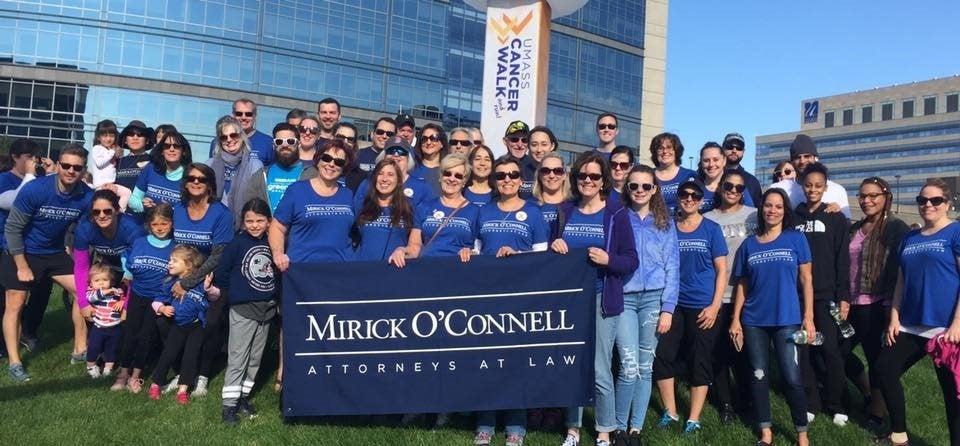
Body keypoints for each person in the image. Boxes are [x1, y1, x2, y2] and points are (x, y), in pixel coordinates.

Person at [552, 151, 639, 446]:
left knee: (601, 368)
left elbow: (630, 260)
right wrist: (557, 245)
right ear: (575, 179)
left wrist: (607, 259)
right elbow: (554, 260)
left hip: (603, 299)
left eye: (594, 176)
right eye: (582, 176)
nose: (587, 181)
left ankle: (604, 430)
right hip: (571, 302)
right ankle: (573, 429)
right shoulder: (564, 211)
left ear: (603, 181)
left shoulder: (616, 213)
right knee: (573, 365)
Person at [875, 178, 960, 446]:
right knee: (883, 369)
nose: (928, 205)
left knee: (953, 396)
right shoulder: (910, 237)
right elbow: (901, 280)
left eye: (935, 200)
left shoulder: (955, 233)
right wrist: (895, 317)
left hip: (945, 329)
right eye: (923, 200)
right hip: (910, 324)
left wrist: (958, 323)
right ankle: (899, 433)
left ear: (947, 203)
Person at [728, 188, 815, 446]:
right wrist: (735, 319)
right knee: (759, 375)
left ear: (784, 210)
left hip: (787, 318)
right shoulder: (749, 244)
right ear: (761, 209)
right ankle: (765, 431)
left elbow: (806, 279)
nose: (772, 211)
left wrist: (808, 316)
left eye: (778, 206)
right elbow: (742, 285)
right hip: (754, 320)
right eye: (768, 206)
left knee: (791, 377)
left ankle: (802, 433)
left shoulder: (795, 240)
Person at [472, 155, 548, 446]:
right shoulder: (484, 211)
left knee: (517, 364)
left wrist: (518, 256)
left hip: (521, 299)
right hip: (488, 297)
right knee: (487, 363)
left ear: (521, 180)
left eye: (512, 175)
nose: (506, 180)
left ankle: (516, 426)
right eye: (501, 175)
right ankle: (484, 424)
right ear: (495, 179)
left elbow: (542, 258)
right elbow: (477, 251)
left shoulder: (533, 213)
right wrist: (470, 255)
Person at [2, 144, 93, 382]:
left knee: (83, 290)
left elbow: (83, 233)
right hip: (22, 250)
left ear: (83, 170)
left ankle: (80, 350)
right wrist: (22, 266)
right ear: (58, 164)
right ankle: (14, 362)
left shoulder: (86, 196)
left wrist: (74, 254)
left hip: (54, 252)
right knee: (16, 299)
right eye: (66, 165)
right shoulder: (36, 189)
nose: (70, 171)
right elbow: (12, 229)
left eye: (77, 167)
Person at [611, 164, 679, 446]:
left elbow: (673, 265)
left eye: (646, 186)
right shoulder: (617, 217)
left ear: (654, 190)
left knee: (645, 367)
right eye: (634, 186)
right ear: (627, 189)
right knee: (627, 366)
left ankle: (636, 428)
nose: (640, 191)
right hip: (625, 297)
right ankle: (617, 428)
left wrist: (668, 308)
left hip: (654, 298)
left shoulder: (664, 222)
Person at [653, 180, 727, 434]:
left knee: (700, 360)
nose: (689, 199)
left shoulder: (712, 229)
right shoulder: (668, 228)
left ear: (701, 200)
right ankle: (671, 412)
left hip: (702, 306)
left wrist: (715, 305)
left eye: (695, 195)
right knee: (663, 356)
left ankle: (693, 418)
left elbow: (722, 270)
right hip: (672, 303)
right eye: (684, 194)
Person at [844, 177, 909, 427]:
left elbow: (900, 270)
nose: (867, 200)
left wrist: (892, 307)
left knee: (876, 359)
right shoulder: (855, 228)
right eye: (862, 196)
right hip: (850, 303)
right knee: (835, 351)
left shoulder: (896, 228)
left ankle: (877, 413)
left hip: (877, 303)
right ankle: (867, 393)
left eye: (873, 196)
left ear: (886, 197)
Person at [793, 162, 851, 425]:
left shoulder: (835, 218)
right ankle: (811, 401)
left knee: (830, 350)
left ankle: (836, 403)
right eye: (808, 185)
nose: (813, 189)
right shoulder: (794, 217)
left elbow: (842, 259)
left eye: (818, 186)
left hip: (826, 294)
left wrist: (844, 296)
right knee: (803, 349)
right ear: (802, 186)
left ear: (826, 188)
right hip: (797, 295)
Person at [170, 162, 234, 397]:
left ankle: (204, 374)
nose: (196, 182)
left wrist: (188, 282)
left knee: (211, 323)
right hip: (181, 274)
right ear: (185, 183)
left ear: (210, 185)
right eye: (191, 178)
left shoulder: (221, 213)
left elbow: (218, 255)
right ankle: (182, 370)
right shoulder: (177, 209)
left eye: (202, 179)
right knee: (170, 320)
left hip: (213, 278)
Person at [217, 198, 278, 426]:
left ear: (268, 221)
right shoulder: (237, 244)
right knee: (238, 357)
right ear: (243, 222)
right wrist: (238, 291)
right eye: (249, 221)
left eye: (260, 220)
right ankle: (229, 407)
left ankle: (243, 396)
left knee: (255, 358)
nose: (254, 225)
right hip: (243, 309)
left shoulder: (274, 244)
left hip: (267, 309)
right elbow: (222, 273)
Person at [703, 170, 758, 424]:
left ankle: (747, 399)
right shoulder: (707, 218)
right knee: (719, 353)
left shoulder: (754, 216)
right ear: (720, 187)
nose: (733, 191)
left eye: (739, 188)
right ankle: (725, 404)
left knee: (745, 353)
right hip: (718, 295)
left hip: (747, 295)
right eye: (728, 186)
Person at [112, 203, 175, 393]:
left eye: (164, 223)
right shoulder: (140, 242)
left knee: (145, 337)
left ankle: (136, 376)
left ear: (171, 224)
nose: (160, 228)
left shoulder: (174, 247)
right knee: (130, 334)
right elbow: (126, 257)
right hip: (137, 295)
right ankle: (123, 373)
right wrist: (126, 273)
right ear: (149, 225)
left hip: (156, 299)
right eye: (156, 224)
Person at [270, 139, 356, 268]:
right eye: (326, 158)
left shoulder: (348, 195)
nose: (331, 164)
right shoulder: (297, 190)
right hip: (303, 270)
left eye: (339, 162)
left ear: (344, 167)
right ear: (318, 159)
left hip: (340, 271)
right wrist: (278, 253)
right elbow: (277, 227)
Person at [147, 244, 214, 405]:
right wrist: (162, 308)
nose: (169, 263)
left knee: (190, 357)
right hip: (178, 326)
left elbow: (214, 297)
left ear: (188, 265)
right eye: (170, 259)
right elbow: (156, 301)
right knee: (168, 354)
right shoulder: (170, 283)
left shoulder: (200, 281)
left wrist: (209, 288)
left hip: (196, 326)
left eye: (174, 260)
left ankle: (183, 390)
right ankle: (156, 384)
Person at [391, 153, 479, 264]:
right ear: (440, 176)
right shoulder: (424, 207)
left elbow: (480, 248)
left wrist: (473, 252)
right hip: (428, 269)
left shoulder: (475, 211)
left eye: (458, 176)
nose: (452, 179)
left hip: (459, 270)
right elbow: (414, 246)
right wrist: (401, 250)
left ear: (464, 181)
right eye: (447, 173)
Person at [74, 190, 145, 324]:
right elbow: (81, 267)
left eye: (107, 211)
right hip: (108, 270)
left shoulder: (133, 229)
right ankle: (84, 343)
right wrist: (83, 303)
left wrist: (127, 305)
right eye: (96, 212)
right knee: (86, 299)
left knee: (132, 318)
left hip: (133, 273)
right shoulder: (84, 229)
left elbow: (139, 271)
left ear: (117, 210)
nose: (101, 216)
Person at [770, 134, 851, 217]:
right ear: (792, 161)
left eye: (807, 156)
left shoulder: (837, 190)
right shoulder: (778, 188)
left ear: (815, 158)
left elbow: (846, 224)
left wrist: (838, 213)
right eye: (797, 157)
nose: (802, 161)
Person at [205, 115, 263, 229]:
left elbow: (258, 200)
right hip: (214, 226)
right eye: (223, 137)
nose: (229, 140)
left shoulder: (255, 165)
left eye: (233, 135)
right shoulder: (210, 165)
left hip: (244, 228)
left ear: (241, 136)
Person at [245, 123, 316, 213]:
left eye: (290, 141)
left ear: (298, 144)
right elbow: (250, 209)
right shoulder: (261, 176)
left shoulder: (312, 175)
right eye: (279, 142)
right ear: (274, 146)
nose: (285, 145)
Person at [353, 159, 413, 261]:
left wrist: (403, 250)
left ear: (398, 180)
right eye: (380, 174)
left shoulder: (408, 208)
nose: (384, 179)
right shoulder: (362, 204)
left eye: (390, 174)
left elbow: (415, 245)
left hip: (394, 270)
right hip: (363, 268)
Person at [353, 137, 434, 210]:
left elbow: (427, 216)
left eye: (401, 151)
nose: (396, 154)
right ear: (383, 156)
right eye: (391, 151)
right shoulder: (368, 183)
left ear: (408, 158)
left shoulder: (422, 187)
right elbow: (358, 212)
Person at [129, 130, 192, 214]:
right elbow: (133, 199)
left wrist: (169, 211)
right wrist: (142, 205)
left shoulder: (190, 176)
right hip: (146, 222)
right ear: (162, 151)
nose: (171, 149)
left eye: (176, 146)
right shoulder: (151, 168)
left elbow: (192, 210)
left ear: (183, 151)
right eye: (167, 146)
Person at [83, 263, 125, 379]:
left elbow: (125, 298)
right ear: (91, 283)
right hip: (99, 328)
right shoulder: (92, 293)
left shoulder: (117, 292)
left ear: (111, 281)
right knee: (93, 348)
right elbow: (90, 298)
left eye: (105, 280)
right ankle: (91, 367)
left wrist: (122, 302)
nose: (101, 283)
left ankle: (108, 369)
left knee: (111, 350)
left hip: (114, 327)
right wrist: (105, 292)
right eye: (97, 280)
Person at [207, 99, 274, 165]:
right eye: (239, 114)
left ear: (255, 116)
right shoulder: (217, 141)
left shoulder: (268, 142)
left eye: (248, 114)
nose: (243, 117)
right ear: (233, 115)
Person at [649, 132, 697, 216]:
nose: (665, 151)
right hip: (653, 225)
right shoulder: (648, 176)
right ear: (655, 152)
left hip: (681, 225)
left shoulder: (690, 175)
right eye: (660, 148)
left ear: (676, 151)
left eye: (669, 147)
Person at [531, 152, 571, 239]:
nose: (552, 176)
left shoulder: (574, 206)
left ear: (564, 175)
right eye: (546, 171)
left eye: (558, 171)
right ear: (539, 175)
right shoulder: (529, 206)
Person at [720, 133, 762, 206]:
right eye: (730, 146)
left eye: (739, 147)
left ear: (743, 152)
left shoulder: (752, 181)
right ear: (722, 148)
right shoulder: (711, 176)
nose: (734, 150)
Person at [115, 120, 154, 196]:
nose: (135, 137)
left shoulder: (154, 161)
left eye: (140, 134)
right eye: (131, 134)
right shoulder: (118, 162)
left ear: (147, 141)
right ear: (125, 140)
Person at [411, 123, 448, 195]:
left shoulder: (448, 171)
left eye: (433, 138)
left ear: (442, 143)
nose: (428, 142)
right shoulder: (411, 168)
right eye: (424, 139)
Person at [502, 120, 536, 197]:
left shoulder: (536, 166)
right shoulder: (497, 166)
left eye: (524, 140)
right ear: (505, 141)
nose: (520, 144)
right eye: (514, 139)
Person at [90, 119, 123, 188]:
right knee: (126, 193)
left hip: (112, 184)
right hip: (101, 185)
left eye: (111, 136)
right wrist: (111, 153)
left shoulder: (111, 150)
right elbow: (99, 163)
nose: (108, 139)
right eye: (105, 136)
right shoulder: (97, 148)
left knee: (127, 193)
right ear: (99, 137)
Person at [696, 142, 727, 213]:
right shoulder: (694, 187)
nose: (711, 164)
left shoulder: (735, 186)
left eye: (716, 160)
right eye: (706, 160)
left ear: (724, 160)